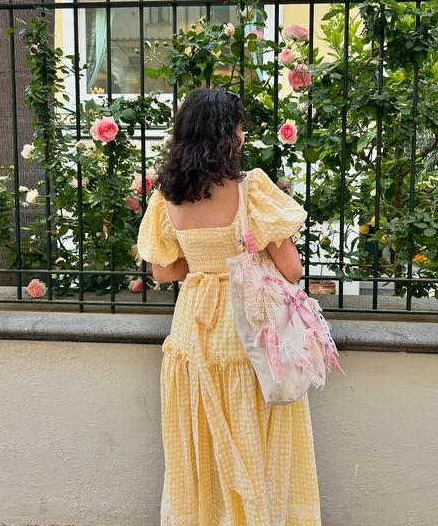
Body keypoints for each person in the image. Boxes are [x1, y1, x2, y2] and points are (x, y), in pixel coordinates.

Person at [137, 87, 322, 525]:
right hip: (247, 333)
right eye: (239, 127)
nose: (242, 135)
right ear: (228, 135)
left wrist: (203, 258)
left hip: (192, 336)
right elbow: (292, 269)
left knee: (201, 445)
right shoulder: (250, 190)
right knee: (253, 439)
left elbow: (163, 272)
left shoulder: (167, 198)